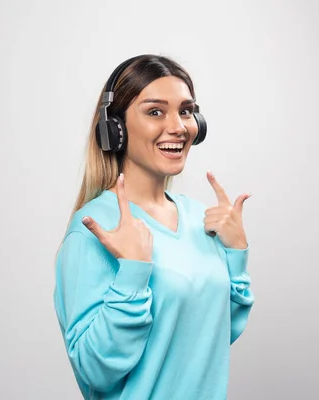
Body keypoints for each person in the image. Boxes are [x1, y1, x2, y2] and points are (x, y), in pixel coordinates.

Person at [53, 54, 255, 400]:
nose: (178, 126)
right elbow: (95, 370)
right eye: (155, 112)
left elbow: (215, 334)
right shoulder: (93, 228)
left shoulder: (197, 218)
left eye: (186, 111)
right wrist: (133, 273)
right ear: (114, 129)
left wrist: (236, 254)